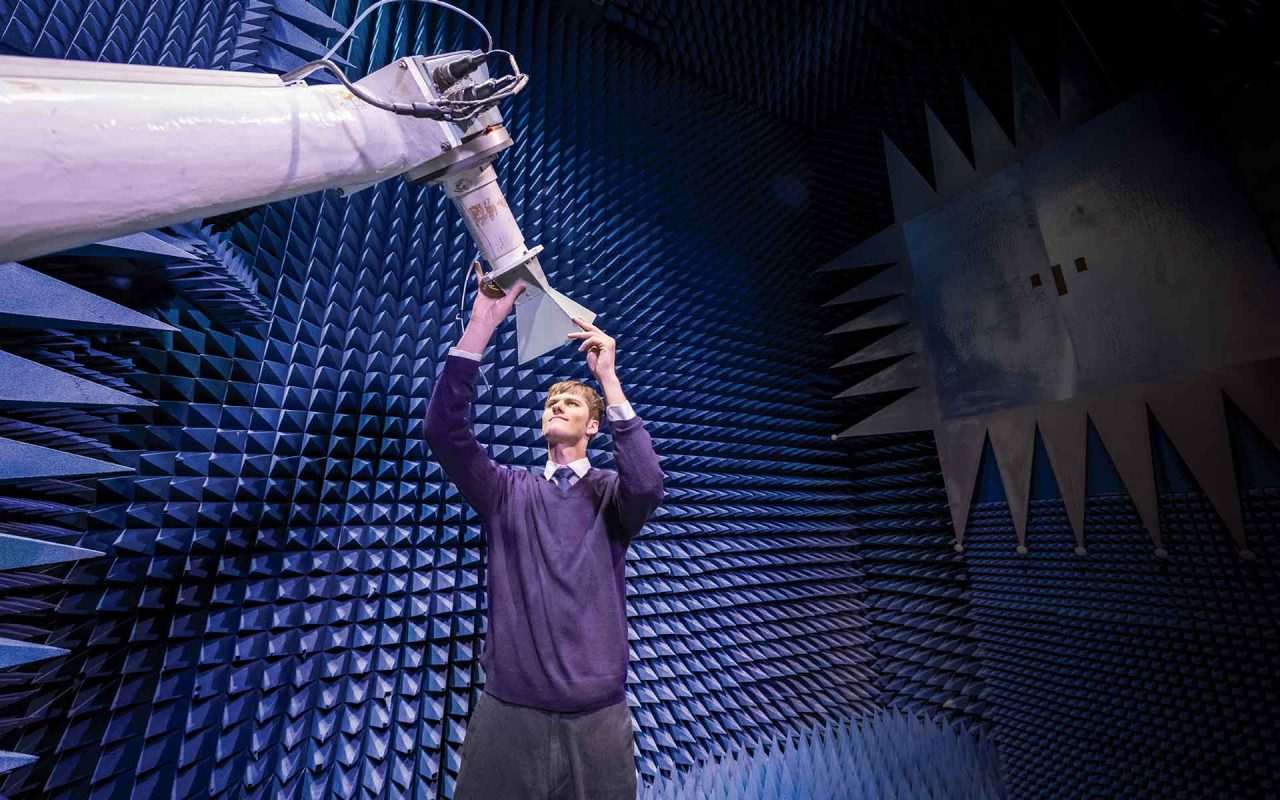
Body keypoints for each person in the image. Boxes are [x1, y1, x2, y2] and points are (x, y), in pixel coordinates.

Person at [423, 277, 665, 800]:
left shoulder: (610, 497)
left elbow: (648, 483)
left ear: (593, 426)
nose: (556, 405)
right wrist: (481, 324)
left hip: (597, 719)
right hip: (509, 715)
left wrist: (609, 381)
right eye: (551, 401)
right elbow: (444, 433)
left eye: (571, 404)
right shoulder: (506, 490)